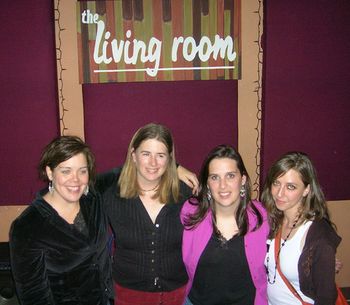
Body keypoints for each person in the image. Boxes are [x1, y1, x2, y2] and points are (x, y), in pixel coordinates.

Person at [9, 136, 113, 305]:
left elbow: (127, 174)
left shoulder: (92, 199)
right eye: (66, 171)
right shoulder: (27, 227)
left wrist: (170, 167)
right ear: (50, 172)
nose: (76, 179)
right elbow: (33, 296)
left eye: (82, 170)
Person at [98, 123, 193, 305]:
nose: (153, 163)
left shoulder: (185, 194)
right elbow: (81, 185)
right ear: (133, 155)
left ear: (169, 159)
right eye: (146, 154)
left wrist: (176, 168)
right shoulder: (112, 195)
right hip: (128, 294)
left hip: (176, 294)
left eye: (160, 155)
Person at [181, 144, 269, 305]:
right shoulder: (190, 212)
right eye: (215, 177)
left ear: (242, 180)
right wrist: (176, 168)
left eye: (230, 176)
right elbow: (149, 173)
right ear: (207, 183)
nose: (223, 185)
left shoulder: (262, 216)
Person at [261, 151, 341, 305]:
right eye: (276, 183)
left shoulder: (317, 236)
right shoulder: (271, 220)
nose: (279, 193)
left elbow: (326, 298)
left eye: (290, 187)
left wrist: (323, 261)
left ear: (306, 189)